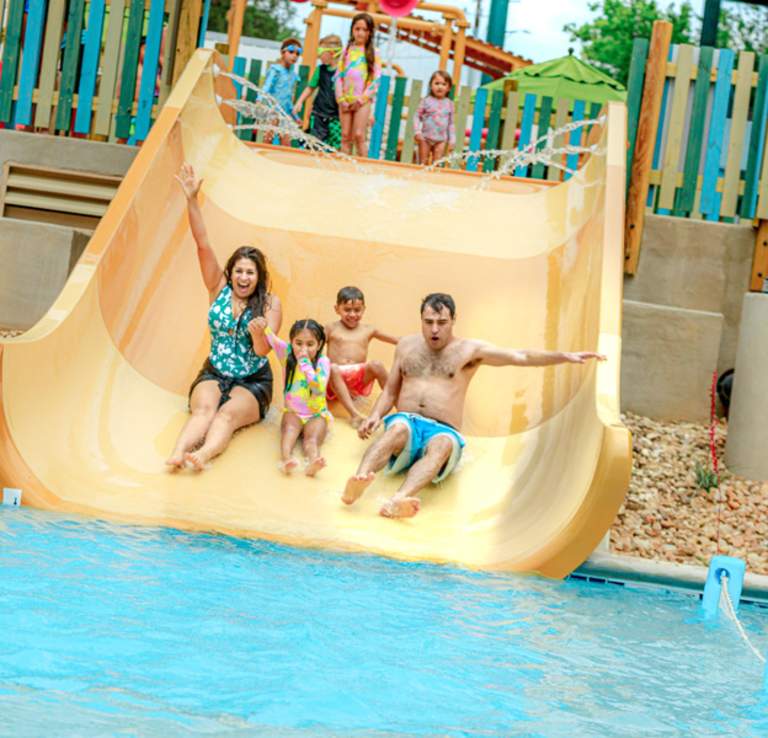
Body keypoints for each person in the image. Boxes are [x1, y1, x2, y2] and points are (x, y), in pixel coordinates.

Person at [342, 293, 606, 518]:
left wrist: (565, 356)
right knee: (396, 429)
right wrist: (375, 415)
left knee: (442, 445)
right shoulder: (406, 345)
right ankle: (358, 481)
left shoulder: (469, 351)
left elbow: (520, 356)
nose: (435, 329)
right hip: (407, 421)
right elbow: (390, 390)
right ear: (421, 320)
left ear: (453, 321)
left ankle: (398, 500)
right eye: (429, 322)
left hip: (443, 429)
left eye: (442, 323)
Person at [166, 163, 282, 471]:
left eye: (250, 272)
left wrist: (259, 333)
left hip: (253, 380)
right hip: (214, 371)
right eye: (239, 271)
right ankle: (178, 452)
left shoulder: (270, 303)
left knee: (225, 416)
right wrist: (192, 200)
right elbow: (202, 243)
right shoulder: (217, 287)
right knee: (203, 409)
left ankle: (201, 456)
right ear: (231, 272)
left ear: (259, 277)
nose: (244, 277)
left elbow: (262, 352)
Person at [251, 318, 331, 476]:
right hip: (293, 411)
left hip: (316, 414)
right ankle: (287, 459)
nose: (303, 349)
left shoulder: (323, 362)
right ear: (291, 342)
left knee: (311, 440)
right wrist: (263, 326)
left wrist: (306, 366)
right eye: (298, 343)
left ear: (320, 344)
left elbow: (318, 389)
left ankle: (313, 462)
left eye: (310, 344)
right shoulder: (286, 354)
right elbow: (271, 338)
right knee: (289, 431)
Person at [326, 286, 398, 426]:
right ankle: (354, 415)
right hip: (333, 381)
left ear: (363, 309)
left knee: (376, 364)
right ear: (337, 309)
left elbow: (396, 340)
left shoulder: (368, 330)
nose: (352, 314)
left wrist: (422, 341)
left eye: (357, 310)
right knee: (333, 367)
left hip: (357, 382)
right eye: (347, 310)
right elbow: (314, 342)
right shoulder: (330, 328)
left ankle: (400, 405)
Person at [335, 13, 381, 156]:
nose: (360, 33)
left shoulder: (374, 53)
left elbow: (376, 80)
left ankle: (363, 170)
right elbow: (338, 76)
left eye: (364, 30)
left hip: (362, 101)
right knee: (345, 135)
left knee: (359, 135)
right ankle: (345, 169)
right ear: (352, 30)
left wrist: (361, 100)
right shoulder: (346, 51)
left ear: (369, 33)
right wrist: (341, 99)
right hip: (345, 100)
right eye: (357, 29)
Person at [293, 34, 343, 150]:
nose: (319, 56)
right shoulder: (320, 70)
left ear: (331, 53)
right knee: (315, 143)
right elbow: (310, 87)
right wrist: (300, 101)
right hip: (318, 113)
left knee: (334, 146)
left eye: (320, 52)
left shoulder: (342, 71)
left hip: (335, 117)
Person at [262, 37, 302, 146]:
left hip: (285, 114)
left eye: (298, 53)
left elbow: (288, 99)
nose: (294, 55)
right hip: (273, 110)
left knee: (286, 143)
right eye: (291, 52)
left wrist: (295, 117)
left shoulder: (293, 76)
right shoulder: (276, 70)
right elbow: (266, 86)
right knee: (268, 139)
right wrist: (259, 99)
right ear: (282, 52)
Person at [414, 70, 456, 166]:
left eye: (444, 84)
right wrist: (417, 131)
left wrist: (452, 139)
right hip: (425, 138)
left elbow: (451, 123)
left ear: (448, 88)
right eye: (437, 83)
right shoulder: (426, 101)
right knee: (422, 163)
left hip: (441, 140)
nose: (440, 86)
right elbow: (417, 116)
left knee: (436, 164)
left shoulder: (450, 104)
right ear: (431, 85)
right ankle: (420, 178)